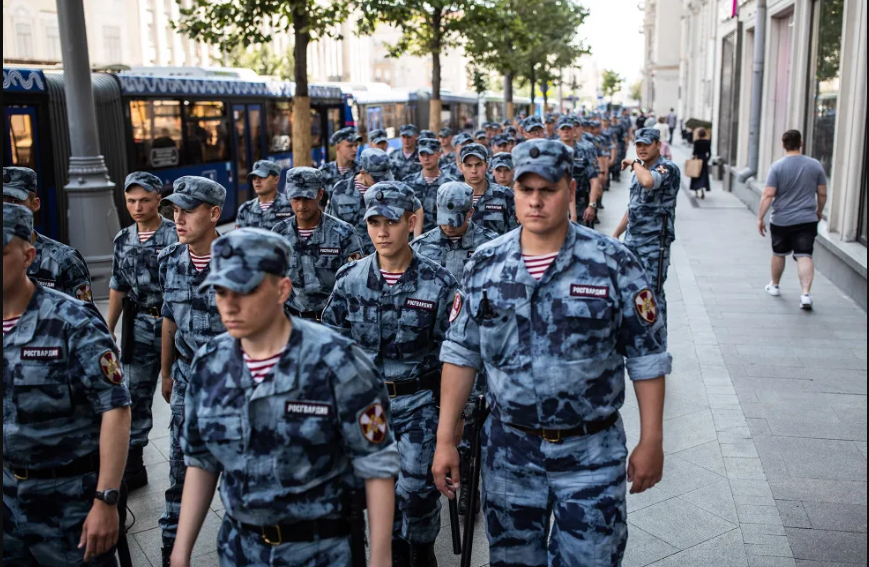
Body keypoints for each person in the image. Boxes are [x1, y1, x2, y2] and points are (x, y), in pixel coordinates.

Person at [432, 139, 671, 567]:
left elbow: (647, 357)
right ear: (515, 194)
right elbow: (461, 352)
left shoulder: (613, 264)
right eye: (527, 190)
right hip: (510, 449)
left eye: (549, 189)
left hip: (591, 451)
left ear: (571, 190)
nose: (536, 201)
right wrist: (446, 439)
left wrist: (651, 439)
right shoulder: (486, 264)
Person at [170, 228, 399, 567]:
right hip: (239, 548)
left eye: (244, 289)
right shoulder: (209, 363)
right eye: (220, 291)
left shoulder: (338, 361)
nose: (229, 305)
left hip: (319, 550)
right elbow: (202, 461)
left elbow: (376, 463)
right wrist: (181, 550)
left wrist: (380, 558)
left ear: (282, 290)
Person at [322, 182, 458, 567]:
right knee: (377, 488)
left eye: (392, 222)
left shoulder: (438, 283)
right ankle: (396, 551)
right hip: (368, 406)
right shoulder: (350, 279)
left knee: (417, 488)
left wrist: (457, 418)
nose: (382, 231)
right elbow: (333, 344)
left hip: (419, 403)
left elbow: (457, 354)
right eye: (374, 222)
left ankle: (421, 547)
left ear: (412, 222)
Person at [3, 203, 132, 566]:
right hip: (8, 500)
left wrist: (106, 500)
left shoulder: (72, 323)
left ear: (28, 255)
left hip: (68, 500)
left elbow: (115, 409)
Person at [157, 176, 227, 565]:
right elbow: (169, 320)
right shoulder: (169, 261)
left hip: (232, 387)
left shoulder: (239, 263)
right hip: (186, 380)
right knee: (180, 477)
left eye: (188, 210)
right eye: (175, 210)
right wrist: (166, 373)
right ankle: (172, 554)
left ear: (214, 213)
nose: (178, 218)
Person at [107, 172, 178, 490]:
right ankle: (134, 464)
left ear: (158, 201)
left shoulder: (176, 236)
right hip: (138, 328)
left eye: (145, 200)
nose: (137, 206)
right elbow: (118, 286)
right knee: (133, 395)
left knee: (179, 392)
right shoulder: (122, 239)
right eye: (131, 200)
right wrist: (107, 329)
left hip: (174, 326)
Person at [272, 167, 364, 319]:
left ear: (320, 194)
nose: (301, 205)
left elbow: (355, 282)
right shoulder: (279, 233)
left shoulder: (343, 233)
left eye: (308, 198)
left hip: (333, 323)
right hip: (291, 322)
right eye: (296, 198)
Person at [614, 128, 680, 327]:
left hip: (654, 245)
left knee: (651, 293)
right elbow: (633, 207)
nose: (642, 149)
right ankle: (638, 337)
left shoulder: (667, 168)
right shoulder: (640, 169)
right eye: (638, 145)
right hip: (632, 242)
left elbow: (649, 181)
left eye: (647, 144)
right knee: (630, 291)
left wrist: (634, 163)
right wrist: (617, 233)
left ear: (658, 145)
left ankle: (656, 341)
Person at [758, 129, 828, 310]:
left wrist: (760, 217)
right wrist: (819, 211)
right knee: (805, 254)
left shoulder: (777, 167)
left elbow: (768, 195)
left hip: (781, 219)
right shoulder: (815, 165)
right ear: (801, 143)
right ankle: (805, 294)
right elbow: (822, 193)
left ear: (783, 144)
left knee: (779, 253)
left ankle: (774, 285)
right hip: (807, 218)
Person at [3, 166, 93, 302]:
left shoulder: (64, 260)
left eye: (16, 202)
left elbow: (86, 319)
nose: (7, 210)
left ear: (35, 204)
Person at [410, 181, 499, 282]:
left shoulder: (490, 244)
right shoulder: (420, 246)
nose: (449, 226)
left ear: (470, 213)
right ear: (438, 208)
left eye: (455, 222)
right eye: (444, 219)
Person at [327, 148, 395, 255]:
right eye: (376, 178)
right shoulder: (341, 190)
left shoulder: (391, 188)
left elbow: (414, 209)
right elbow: (332, 226)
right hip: (351, 256)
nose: (381, 182)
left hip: (382, 256)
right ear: (363, 172)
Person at [459, 143, 519, 235]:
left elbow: (515, 234)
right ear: (461, 167)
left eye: (478, 164)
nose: (474, 171)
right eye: (468, 165)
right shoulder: (451, 196)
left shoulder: (507, 195)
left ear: (486, 166)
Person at [403, 137, 456, 232]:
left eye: (430, 154)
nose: (426, 158)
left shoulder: (451, 184)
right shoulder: (408, 183)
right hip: (414, 241)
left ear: (439, 154)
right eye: (422, 154)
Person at [235, 160, 294, 229]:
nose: (257, 181)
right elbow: (239, 237)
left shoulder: (290, 205)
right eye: (254, 178)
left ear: (276, 180)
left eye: (262, 177)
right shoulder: (245, 209)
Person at [320, 127, 362, 203]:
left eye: (356, 146)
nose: (355, 150)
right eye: (350, 146)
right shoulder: (324, 172)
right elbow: (320, 204)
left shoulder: (362, 170)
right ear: (337, 148)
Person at [690, 128, 712, 199]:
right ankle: (703, 189)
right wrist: (707, 159)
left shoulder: (696, 142)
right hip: (704, 159)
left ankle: (696, 190)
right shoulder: (707, 142)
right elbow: (709, 152)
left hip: (697, 159)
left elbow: (694, 152)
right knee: (704, 174)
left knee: (696, 175)